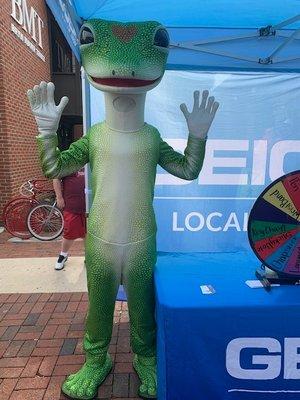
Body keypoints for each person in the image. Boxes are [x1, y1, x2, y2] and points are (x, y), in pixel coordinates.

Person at [53, 169, 86, 270]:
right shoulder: (69, 159)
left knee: (89, 233)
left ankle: (89, 257)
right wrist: (59, 197)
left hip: (89, 204)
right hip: (71, 204)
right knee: (69, 231)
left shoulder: (91, 157)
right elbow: (56, 178)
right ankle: (63, 255)